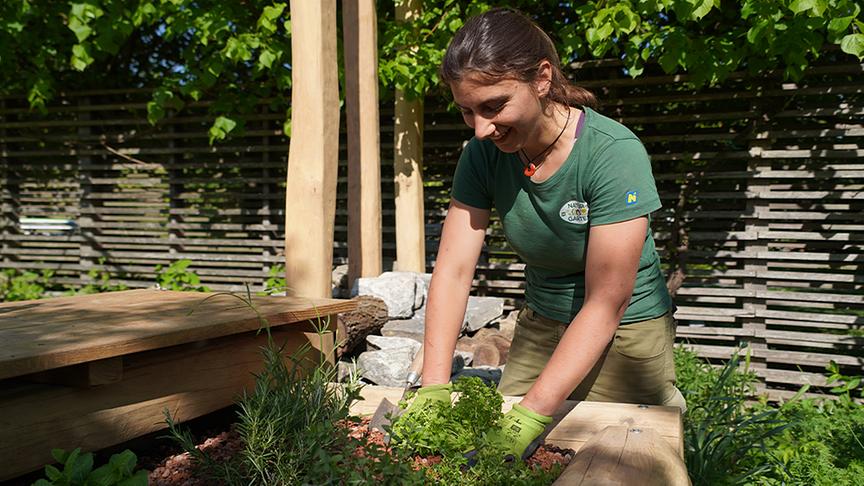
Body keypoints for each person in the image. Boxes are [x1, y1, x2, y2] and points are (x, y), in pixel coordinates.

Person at [404, 7, 687, 461]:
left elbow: (606, 301)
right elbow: (454, 271)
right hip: (541, 323)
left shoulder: (612, 154)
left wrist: (533, 414)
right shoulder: (482, 155)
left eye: (494, 106)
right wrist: (434, 387)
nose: (480, 129)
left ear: (541, 78)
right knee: (500, 456)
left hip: (626, 334)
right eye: (467, 111)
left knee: (621, 459)